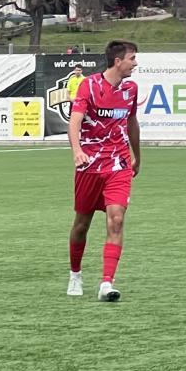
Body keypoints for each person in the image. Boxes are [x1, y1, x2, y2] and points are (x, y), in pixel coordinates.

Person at [67, 40, 141, 301]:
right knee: (82, 224)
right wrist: (77, 150)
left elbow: (132, 122)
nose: (135, 63)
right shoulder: (89, 85)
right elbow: (74, 121)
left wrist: (137, 156)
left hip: (119, 164)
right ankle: (75, 273)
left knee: (117, 219)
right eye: (132, 58)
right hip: (89, 164)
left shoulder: (131, 89)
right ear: (118, 61)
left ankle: (106, 283)